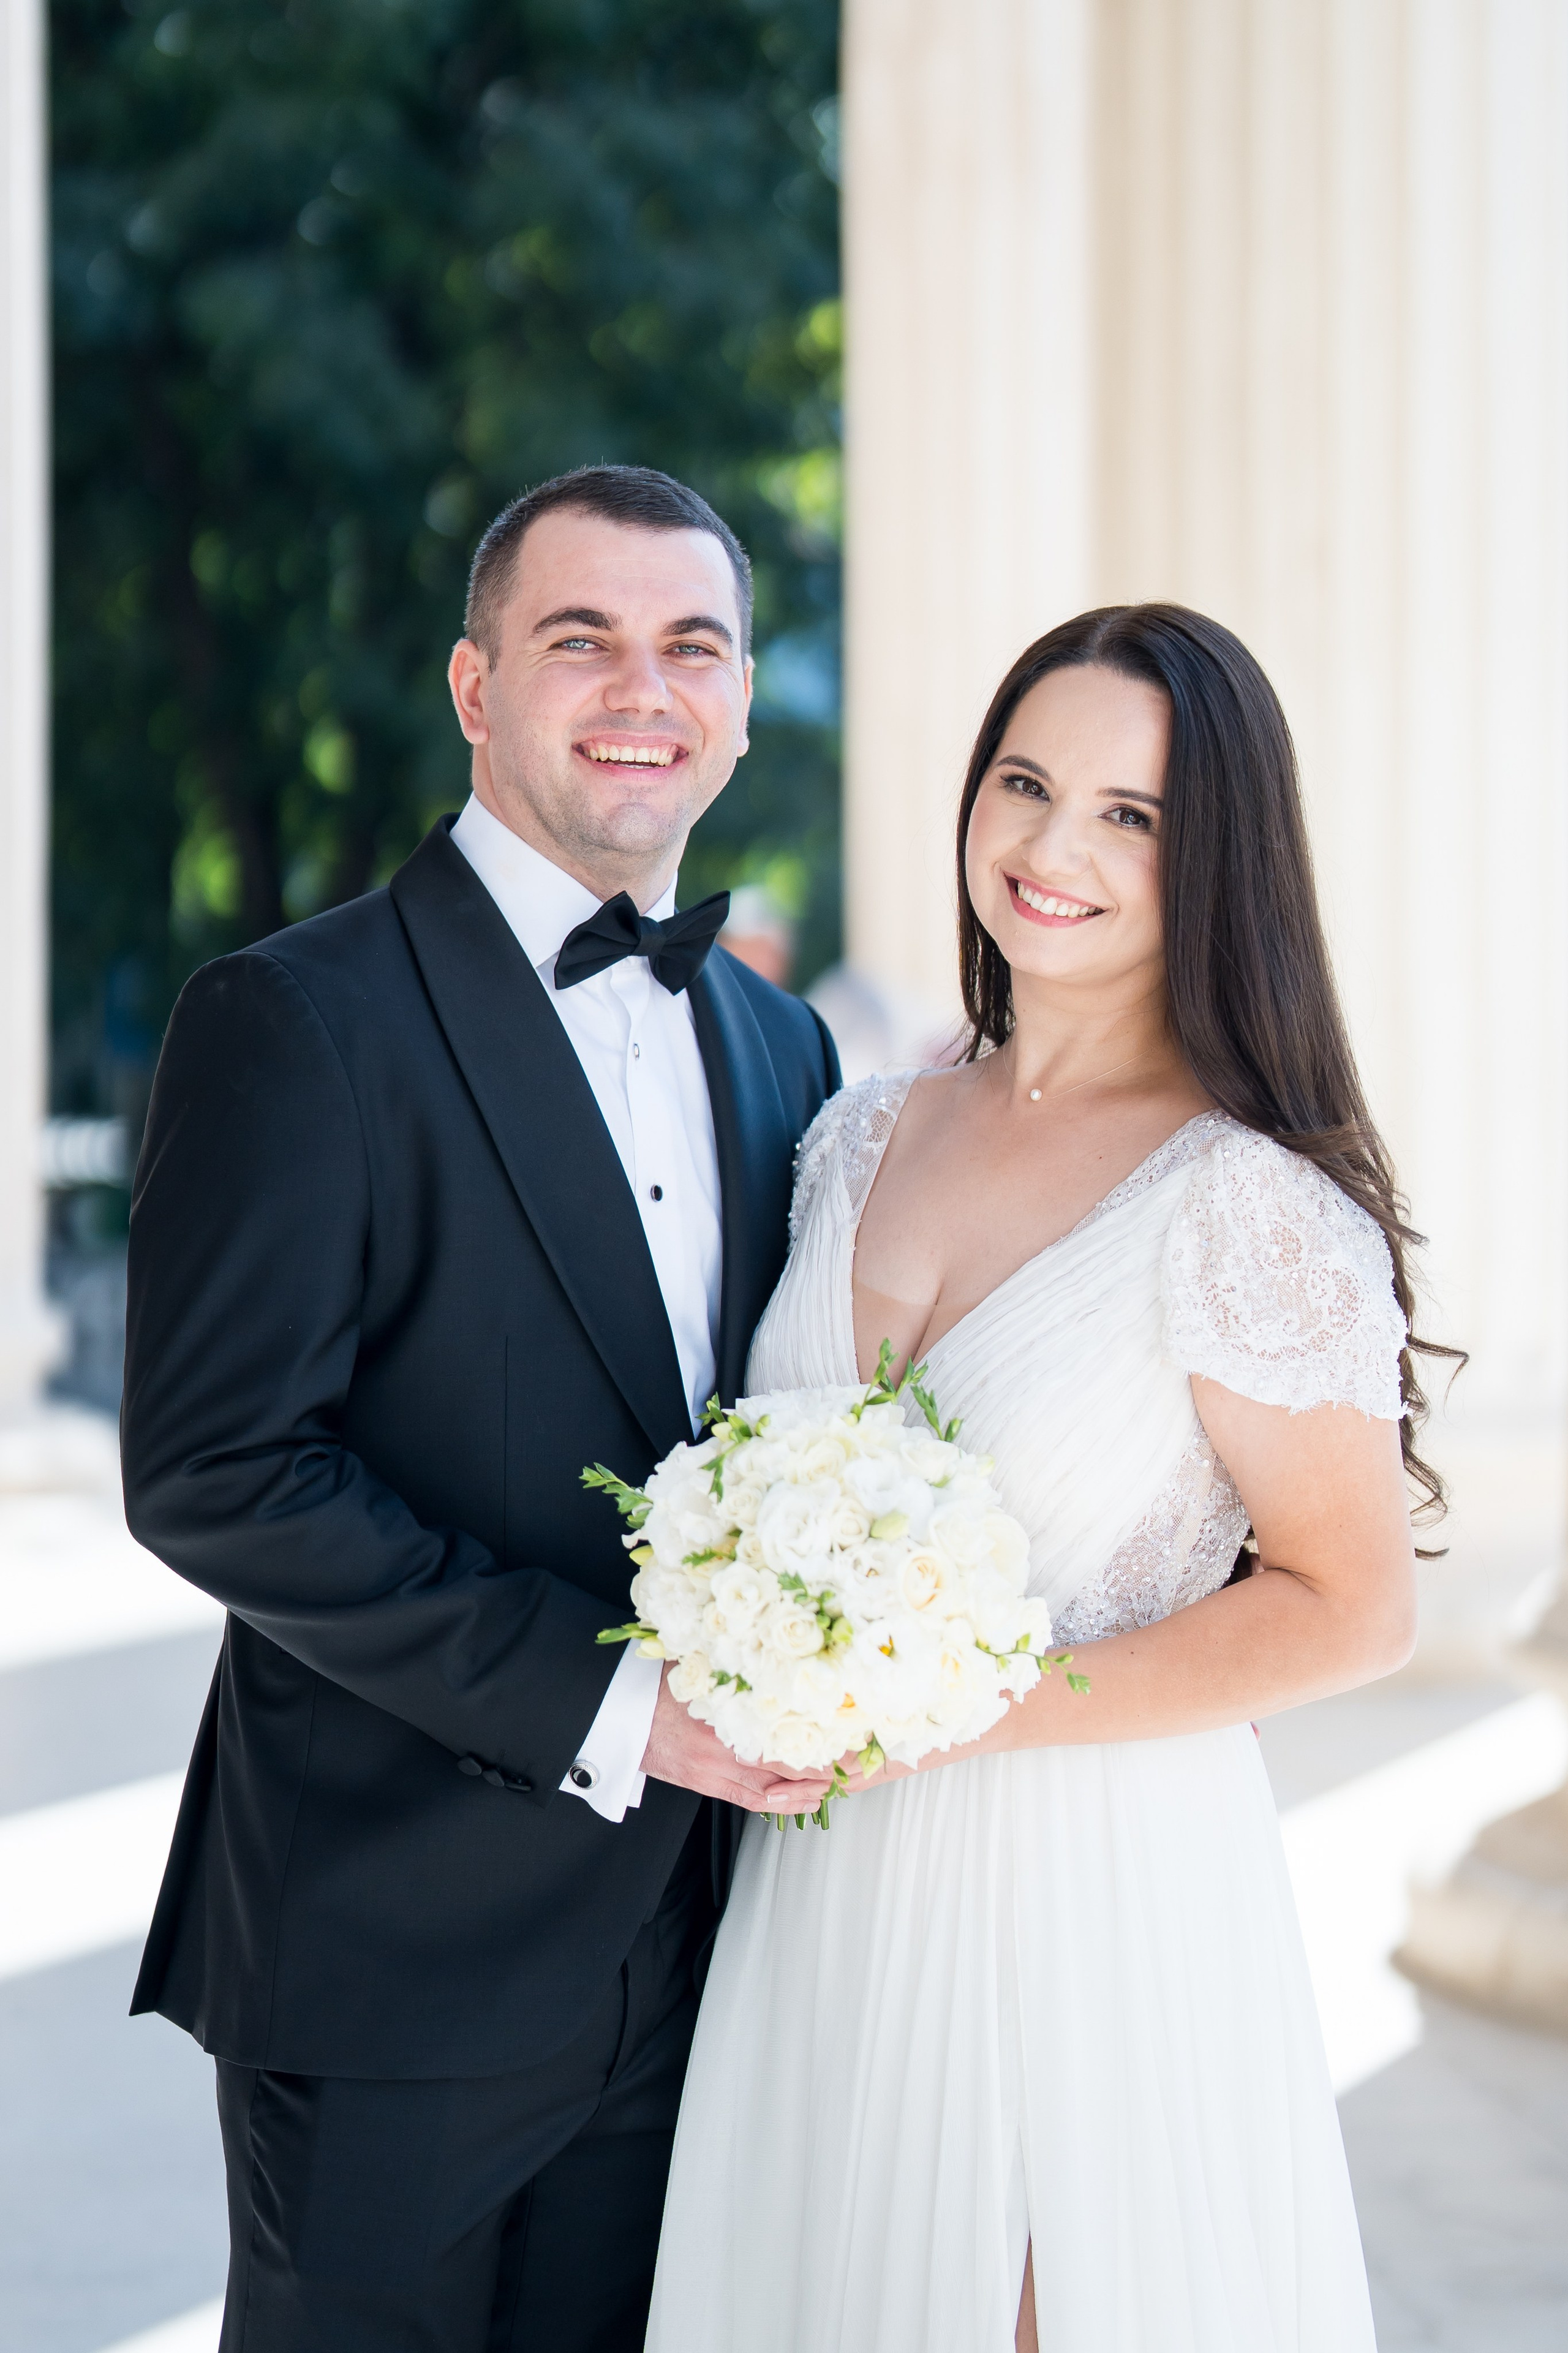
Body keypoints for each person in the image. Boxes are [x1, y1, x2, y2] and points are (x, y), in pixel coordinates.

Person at [647, 605, 1449, 2353]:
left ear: (1216, 859)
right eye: (1023, 782)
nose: (1049, 844)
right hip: (822, 1885)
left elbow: (1356, 1603)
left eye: (1128, 815)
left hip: (1092, 1891)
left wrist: (960, 1702)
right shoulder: (861, 1129)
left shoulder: (1244, 1204)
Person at [119, 464, 840, 2352]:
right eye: (578, 638)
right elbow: (218, 1469)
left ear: (744, 702)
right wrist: (623, 1705)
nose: (641, 688)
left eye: (692, 645)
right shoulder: (295, 1018)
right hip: (390, 1960)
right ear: (471, 686)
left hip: (700, 1956)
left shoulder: (785, 1045)